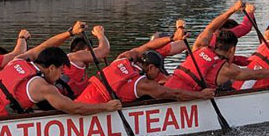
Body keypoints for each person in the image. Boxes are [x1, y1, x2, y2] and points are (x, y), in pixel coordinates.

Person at [163, 0, 269, 92]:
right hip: (183, 97)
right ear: (232, 49)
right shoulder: (227, 70)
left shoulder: (200, 46)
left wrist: (233, 9)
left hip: (169, 88)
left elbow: (211, 27)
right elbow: (254, 74)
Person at [0, 48, 122, 121]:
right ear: (52, 67)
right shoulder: (42, 87)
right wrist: (106, 107)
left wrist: (69, 33)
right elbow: (75, 108)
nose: (62, 75)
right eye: (61, 70)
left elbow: (40, 48)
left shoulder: (19, 60)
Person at [75, 50, 214, 104]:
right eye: (158, 70)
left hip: (81, 100)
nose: (159, 75)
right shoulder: (143, 84)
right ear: (151, 67)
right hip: (89, 109)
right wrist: (201, 95)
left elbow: (135, 52)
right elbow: (175, 94)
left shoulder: (121, 60)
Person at [59, 25, 110, 98]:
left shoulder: (78, 65)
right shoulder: (76, 56)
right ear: (87, 50)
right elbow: (104, 50)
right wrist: (100, 34)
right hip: (61, 100)